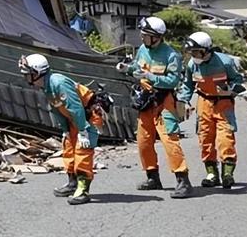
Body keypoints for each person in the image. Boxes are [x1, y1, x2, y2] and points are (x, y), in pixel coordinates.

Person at [116, 16, 194, 198]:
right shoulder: (143, 49)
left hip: (163, 103)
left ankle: (183, 181)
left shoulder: (171, 56)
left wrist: (150, 76)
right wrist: (126, 68)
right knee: (143, 142)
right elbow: (136, 66)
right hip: (145, 102)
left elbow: (173, 80)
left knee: (170, 141)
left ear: (156, 37)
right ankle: (152, 177)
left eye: (145, 35)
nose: (142, 38)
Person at [19, 53, 99, 205]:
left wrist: (83, 131)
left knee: (83, 150)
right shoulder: (47, 87)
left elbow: (75, 108)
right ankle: (72, 183)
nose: (25, 77)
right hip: (74, 119)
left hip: (87, 116)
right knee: (68, 148)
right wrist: (65, 130)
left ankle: (83, 190)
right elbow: (57, 108)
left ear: (36, 73)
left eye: (27, 74)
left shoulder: (58, 83)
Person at [178, 31, 246, 189]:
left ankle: (227, 174)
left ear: (206, 50)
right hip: (204, 103)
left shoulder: (225, 62)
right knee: (205, 140)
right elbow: (188, 84)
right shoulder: (191, 65)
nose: (194, 55)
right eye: (191, 52)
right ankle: (212, 174)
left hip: (224, 104)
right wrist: (183, 100)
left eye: (196, 51)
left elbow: (238, 81)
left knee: (226, 139)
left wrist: (229, 89)